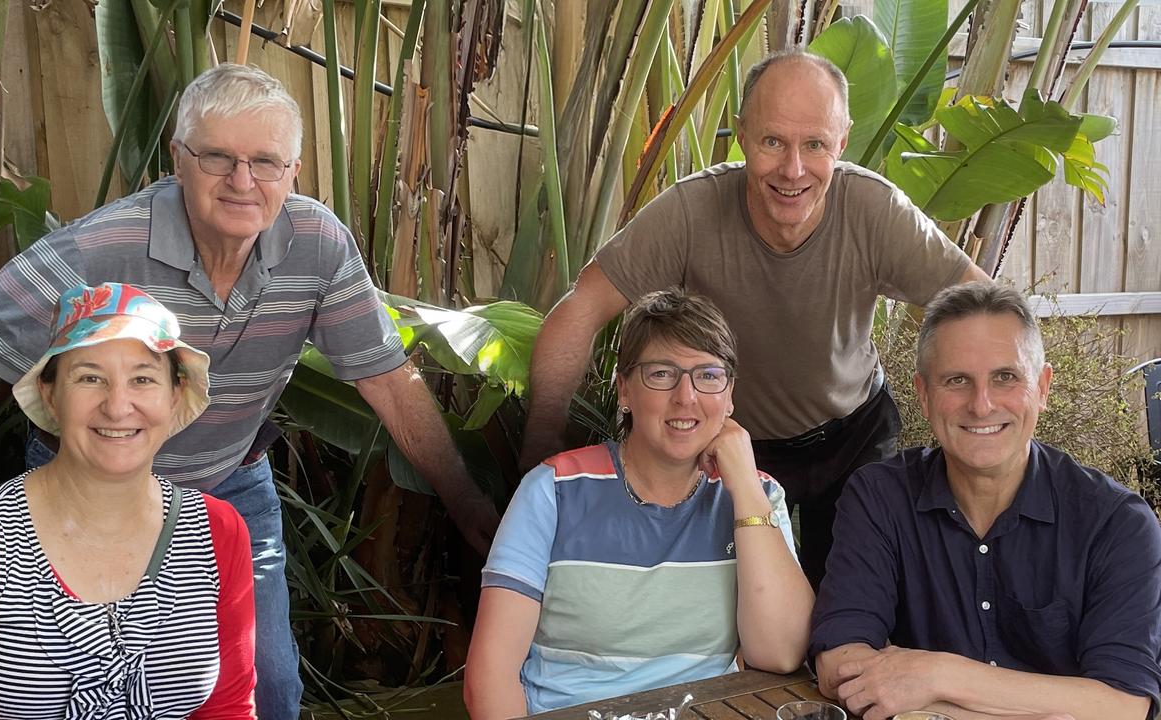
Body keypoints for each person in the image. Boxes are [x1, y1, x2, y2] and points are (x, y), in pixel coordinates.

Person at [0, 63, 499, 718]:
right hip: (84, 485)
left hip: (228, 486)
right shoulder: (99, 249)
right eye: (219, 158)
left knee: (267, 686)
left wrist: (464, 498)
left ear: (294, 170)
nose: (242, 181)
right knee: (65, 687)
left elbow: (388, 380)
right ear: (178, 161)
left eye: (266, 163)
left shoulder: (319, 246)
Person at [519, 49, 991, 588]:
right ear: (742, 135)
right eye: (773, 142)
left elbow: (980, 306)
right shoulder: (691, 211)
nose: (793, 170)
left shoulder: (875, 210)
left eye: (814, 144)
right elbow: (581, 306)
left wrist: (975, 421)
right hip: (732, 442)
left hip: (853, 435)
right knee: (737, 612)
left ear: (842, 141)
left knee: (856, 606)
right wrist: (541, 440)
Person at [0, 283, 256, 718]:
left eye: (142, 378)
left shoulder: (218, 532)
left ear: (173, 396)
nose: (118, 407)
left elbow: (228, 707)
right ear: (50, 395)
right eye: (90, 377)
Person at [809, 281, 1161, 720]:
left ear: (1043, 388)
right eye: (957, 380)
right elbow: (838, 664)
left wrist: (938, 676)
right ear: (923, 395)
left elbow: (1124, 704)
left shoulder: (1115, 523)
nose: (981, 404)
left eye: (1006, 377)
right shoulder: (878, 498)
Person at [464, 290, 814, 718]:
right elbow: (490, 676)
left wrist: (742, 481)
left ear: (729, 395)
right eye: (662, 374)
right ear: (624, 390)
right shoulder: (553, 491)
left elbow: (781, 652)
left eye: (708, 375)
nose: (686, 397)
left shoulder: (756, 496)